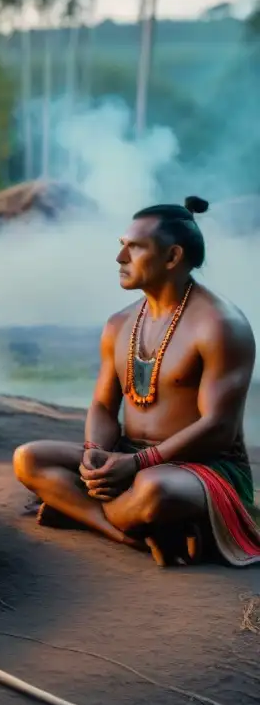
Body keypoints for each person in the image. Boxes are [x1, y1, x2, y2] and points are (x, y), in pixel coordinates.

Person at [14, 197, 260, 567]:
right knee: (28, 458)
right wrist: (95, 451)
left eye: (135, 248)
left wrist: (138, 463)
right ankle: (121, 530)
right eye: (121, 247)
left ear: (172, 256)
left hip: (200, 467)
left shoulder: (220, 325)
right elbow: (101, 404)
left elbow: (218, 429)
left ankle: (78, 509)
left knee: (154, 491)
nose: (120, 259)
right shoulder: (119, 324)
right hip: (125, 455)